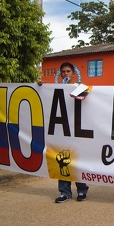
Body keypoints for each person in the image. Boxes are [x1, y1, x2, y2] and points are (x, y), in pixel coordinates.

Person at [41, 62, 89, 203]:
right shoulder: (55, 89)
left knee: (77, 161)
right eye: (63, 71)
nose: (66, 74)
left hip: (77, 130)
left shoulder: (83, 88)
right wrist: (41, 87)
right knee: (61, 160)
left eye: (68, 71)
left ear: (74, 73)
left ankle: (81, 189)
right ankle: (65, 192)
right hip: (61, 130)